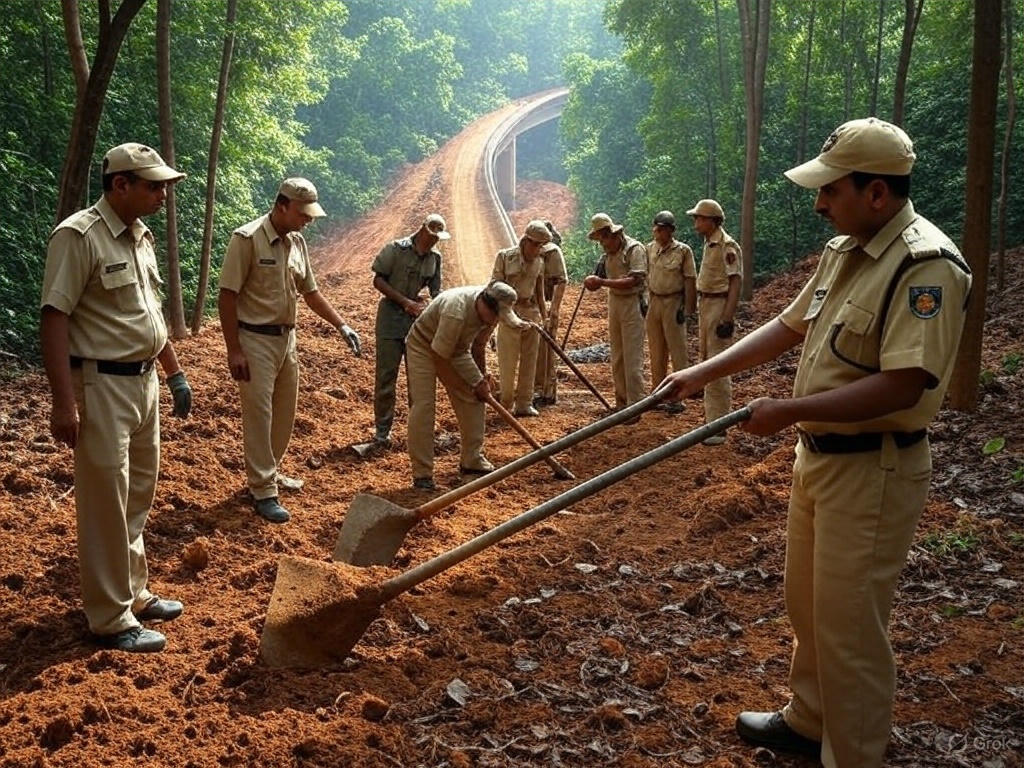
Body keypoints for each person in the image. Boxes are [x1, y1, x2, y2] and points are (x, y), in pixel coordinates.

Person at [659, 117, 971, 768]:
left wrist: (787, 410)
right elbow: (787, 325)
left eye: (831, 190)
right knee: (807, 605)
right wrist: (702, 372)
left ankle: (850, 754)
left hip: (874, 470)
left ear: (876, 193)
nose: (819, 203)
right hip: (819, 459)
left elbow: (904, 384)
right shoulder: (843, 251)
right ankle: (809, 719)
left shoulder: (926, 266)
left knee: (849, 626)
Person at [40, 142, 192, 653]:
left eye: (164, 186)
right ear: (120, 185)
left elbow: (149, 315)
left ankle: (133, 592)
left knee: (136, 493)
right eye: (153, 186)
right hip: (100, 385)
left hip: (143, 382)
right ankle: (109, 619)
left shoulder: (140, 236)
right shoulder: (78, 236)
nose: (163, 195)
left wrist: (174, 373)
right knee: (105, 500)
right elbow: (54, 317)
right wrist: (64, 402)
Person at [218, 178, 361, 524]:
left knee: (284, 413)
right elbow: (227, 296)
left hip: (287, 340)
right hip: (254, 340)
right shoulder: (247, 239)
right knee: (259, 416)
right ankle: (263, 490)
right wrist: (234, 349)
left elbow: (310, 292)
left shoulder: (297, 242)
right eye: (303, 213)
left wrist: (342, 325)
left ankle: (270, 471)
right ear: (282, 206)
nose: (308, 220)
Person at [405, 281, 526, 490]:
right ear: (484, 303)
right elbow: (442, 354)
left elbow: (478, 346)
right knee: (424, 406)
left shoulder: (490, 315)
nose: (495, 321)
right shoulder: (456, 312)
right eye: (495, 316)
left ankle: (472, 459)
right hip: (423, 346)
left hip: (455, 351)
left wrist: (481, 380)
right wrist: (474, 381)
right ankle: (422, 473)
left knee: (474, 397)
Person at [367, 213, 447, 450]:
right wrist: (405, 302)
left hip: (416, 325)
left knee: (419, 380)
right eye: (431, 236)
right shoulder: (396, 249)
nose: (434, 241)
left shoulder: (435, 258)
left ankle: (419, 432)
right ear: (422, 230)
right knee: (386, 378)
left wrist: (436, 305)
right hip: (390, 320)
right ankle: (382, 433)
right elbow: (378, 280)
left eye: (438, 238)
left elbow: (436, 291)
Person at [687, 198, 742, 444]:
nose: (696, 222)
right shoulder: (709, 243)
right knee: (707, 361)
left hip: (719, 305)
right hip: (707, 304)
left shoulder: (727, 245)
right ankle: (712, 419)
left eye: (699, 218)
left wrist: (727, 318)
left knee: (718, 366)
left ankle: (719, 426)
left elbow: (735, 281)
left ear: (712, 220)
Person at [583, 213, 647, 408]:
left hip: (632, 303)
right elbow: (599, 278)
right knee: (617, 355)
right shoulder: (606, 255)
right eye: (599, 241)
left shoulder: (634, 249)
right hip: (615, 302)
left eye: (604, 239)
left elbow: (635, 280)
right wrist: (594, 281)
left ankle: (635, 403)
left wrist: (602, 282)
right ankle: (621, 402)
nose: (602, 244)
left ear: (614, 235)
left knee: (632, 357)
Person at [491, 220, 551, 416]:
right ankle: (506, 402)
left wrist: (544, 317)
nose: (538, 249)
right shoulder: (505, 257)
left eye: (541, 246)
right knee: (507, 361)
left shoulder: (540, 262)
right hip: (508, 313)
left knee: (529, 361)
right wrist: (500, 313)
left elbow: (540, 292)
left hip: (530, 313)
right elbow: (494, 285)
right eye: (536, 245)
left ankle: (524, 403)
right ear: (526, 241)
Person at [644, 210, 696, 412]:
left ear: (671, 230)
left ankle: (678, 396)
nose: (657, 232)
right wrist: (644, 300)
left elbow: (690, 280)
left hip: (674, 302)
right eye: (656, 228)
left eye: (662, 229)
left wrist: (689, 309)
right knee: (656, 350)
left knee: (677, 350)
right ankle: (658, 394)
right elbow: (645, 276)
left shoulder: (683, 251)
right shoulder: (649, 249)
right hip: (655, 301)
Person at [534, 221, 568, 406]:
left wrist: (553, 309)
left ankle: (546, 391)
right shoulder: (532, 251)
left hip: (546, 306)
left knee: (546, 352)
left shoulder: (552, 252)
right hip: (534, 306)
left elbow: (561, 281)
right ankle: (536, 388)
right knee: (534, 351)